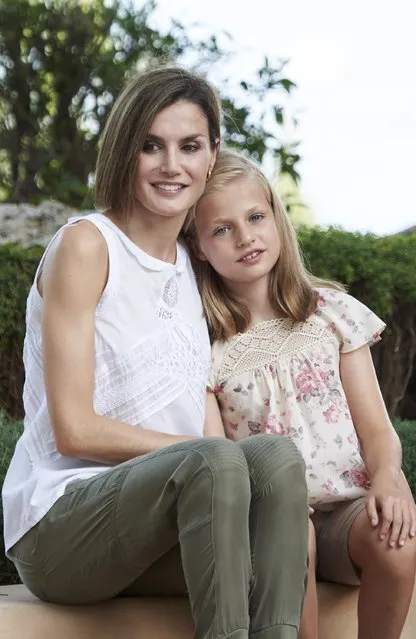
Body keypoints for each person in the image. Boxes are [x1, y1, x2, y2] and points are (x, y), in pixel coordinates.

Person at [2, 66, 310, 639]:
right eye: (152, 146)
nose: (172, 166)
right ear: (126, 150)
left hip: (158, 531)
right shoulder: (87, 246)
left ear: (212, 156)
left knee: (276, 460)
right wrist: (205, 457)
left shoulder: (194, 268)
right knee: (218, 459)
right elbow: (74, 431)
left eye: (189, 146)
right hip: (60, 527)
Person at [185, 148, 416, 639]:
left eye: (255, 217)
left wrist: (387, 477)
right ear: (200, 247)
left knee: (396, 537)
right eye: (222, 229)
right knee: (297, 539)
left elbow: (376, 427)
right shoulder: (207, 349)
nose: (246, 236)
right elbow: (218, 458)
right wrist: (269, 506)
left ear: (276, 219)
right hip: (275, 520)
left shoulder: (330, 313)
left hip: (351, 508)